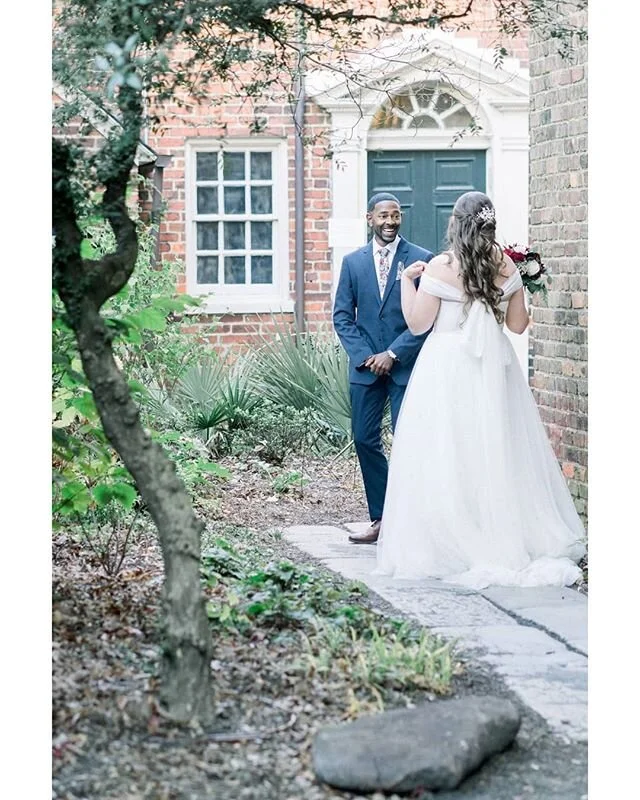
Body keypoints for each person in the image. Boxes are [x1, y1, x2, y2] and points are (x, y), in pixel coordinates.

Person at [375, 191, 586, 588]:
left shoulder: (440, 267)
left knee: (448, 450)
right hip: (494, 367)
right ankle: (499, 533)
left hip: (446, 367)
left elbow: (418, 324)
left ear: (455, 224)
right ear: (490, 225)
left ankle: (454, 535)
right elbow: (518, 326)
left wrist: (406, 282)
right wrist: (517, 289)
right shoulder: (506, 264)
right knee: (496, 448)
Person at [333, 193, 434, 544]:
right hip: (366, 369)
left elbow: (427, 318)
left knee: (409, 441)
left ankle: (415, 521)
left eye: (395, 215)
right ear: (370, 219)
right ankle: (383, 518)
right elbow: (342, 317)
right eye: (383, 216)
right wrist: (367, 357)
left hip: (405, 365)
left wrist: (392, 353)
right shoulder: (352, 263)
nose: (390, 221)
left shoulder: (422, 259)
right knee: (364, 439)